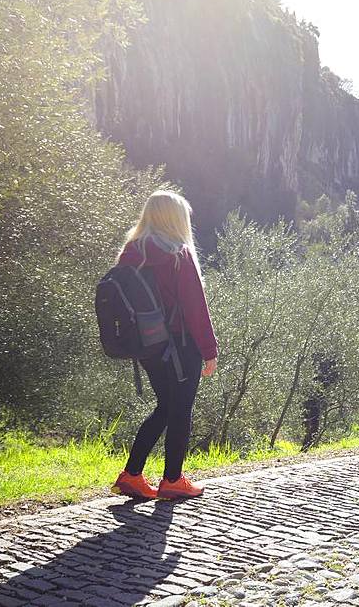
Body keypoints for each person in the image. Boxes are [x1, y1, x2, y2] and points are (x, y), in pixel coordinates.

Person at [110, 190, 218, 500]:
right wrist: (209, 350)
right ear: (175, 219)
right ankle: (172, 480)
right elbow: (195, 307)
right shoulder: (177, 254)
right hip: (180, 345)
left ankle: (132, 475)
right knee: (180, 409)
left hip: (147, 345)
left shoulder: (130, 253)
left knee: (166, 406)